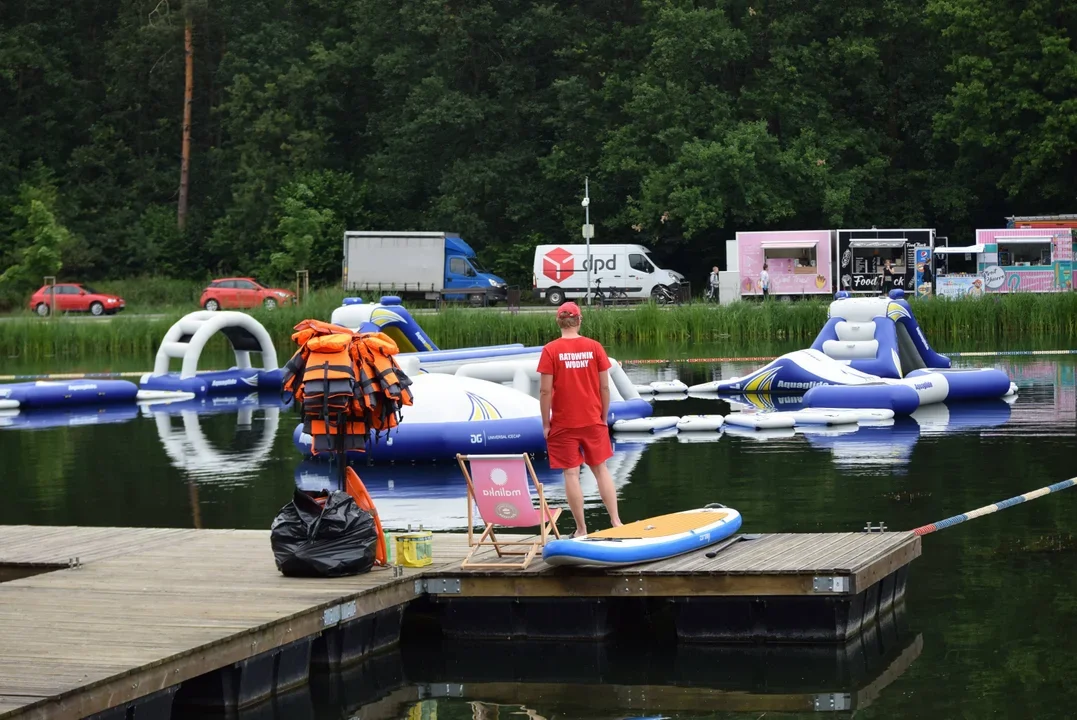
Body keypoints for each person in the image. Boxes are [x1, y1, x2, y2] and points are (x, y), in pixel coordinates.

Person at [537, 302, 623, 537]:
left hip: (564, 423)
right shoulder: (594, 347)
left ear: (559, 322)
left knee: (571, 474)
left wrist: (546, 423)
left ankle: (581, 529)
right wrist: (603, 417)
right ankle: (616, 521)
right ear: (579, 320)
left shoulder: (550, 350)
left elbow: (545, 392)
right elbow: (604, 387)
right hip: (593, 419)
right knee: (601, 470)